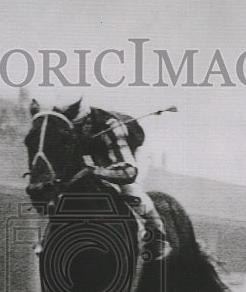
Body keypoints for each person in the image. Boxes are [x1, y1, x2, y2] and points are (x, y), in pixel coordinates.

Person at [65, 99, 171, 260]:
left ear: (86, 119)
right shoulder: (68, 125)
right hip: (101, 154)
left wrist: (98, 172)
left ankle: (157, 233)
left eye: (78, 126)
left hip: (131, 155)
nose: (75, 131)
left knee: (130, 191)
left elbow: (128, 172)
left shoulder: (109, 125)